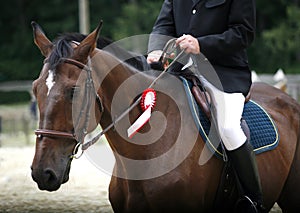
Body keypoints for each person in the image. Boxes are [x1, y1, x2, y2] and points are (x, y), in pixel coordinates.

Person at [147, 0, 265, 212]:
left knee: (229, 128)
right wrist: (155, 49)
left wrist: (202, 45)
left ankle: (252, 199)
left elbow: (243, 33)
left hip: (223, 72)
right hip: (179, 68)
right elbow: (163, 25)